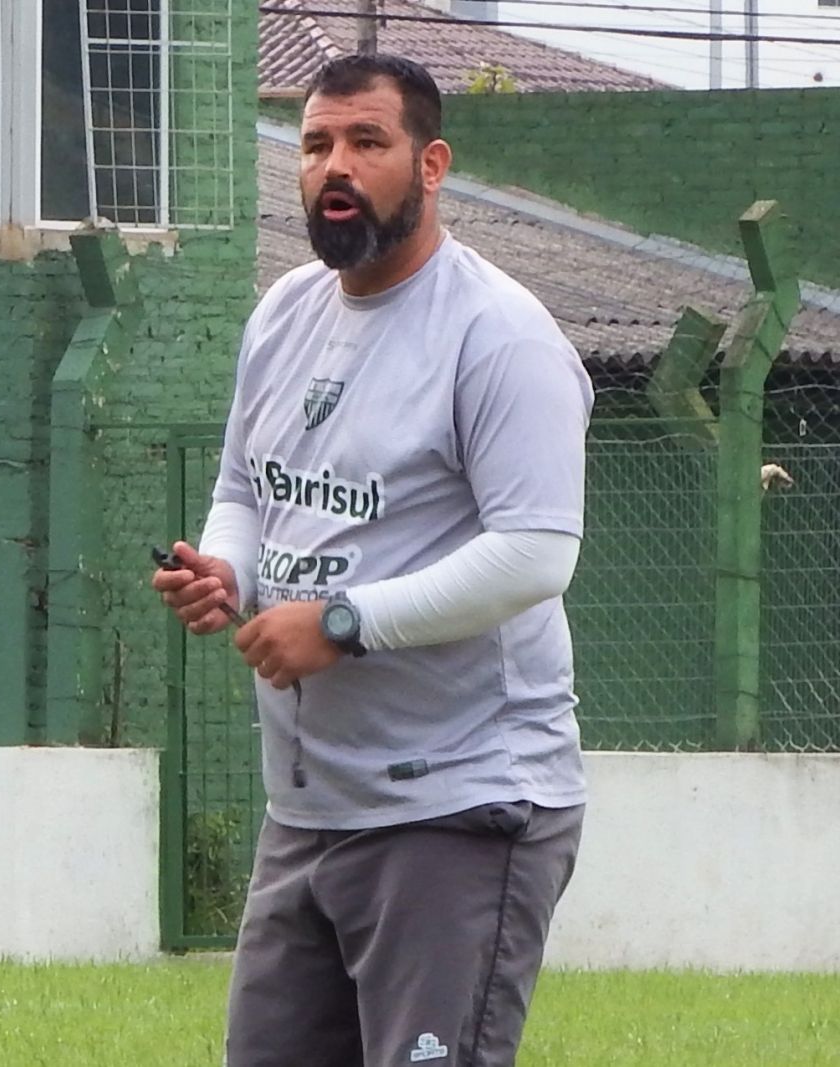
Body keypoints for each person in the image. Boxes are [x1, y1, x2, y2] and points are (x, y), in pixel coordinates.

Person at [152, 55, 592, 1066]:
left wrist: (342, 623)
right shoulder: (283, 314)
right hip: (308, 809)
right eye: (314, 145)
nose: (333, 166)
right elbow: (243, 491)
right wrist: (226, 573)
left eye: (365, 142)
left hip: (459, 801)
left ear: (429, 164)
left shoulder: (497, 335)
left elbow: (533, 554)